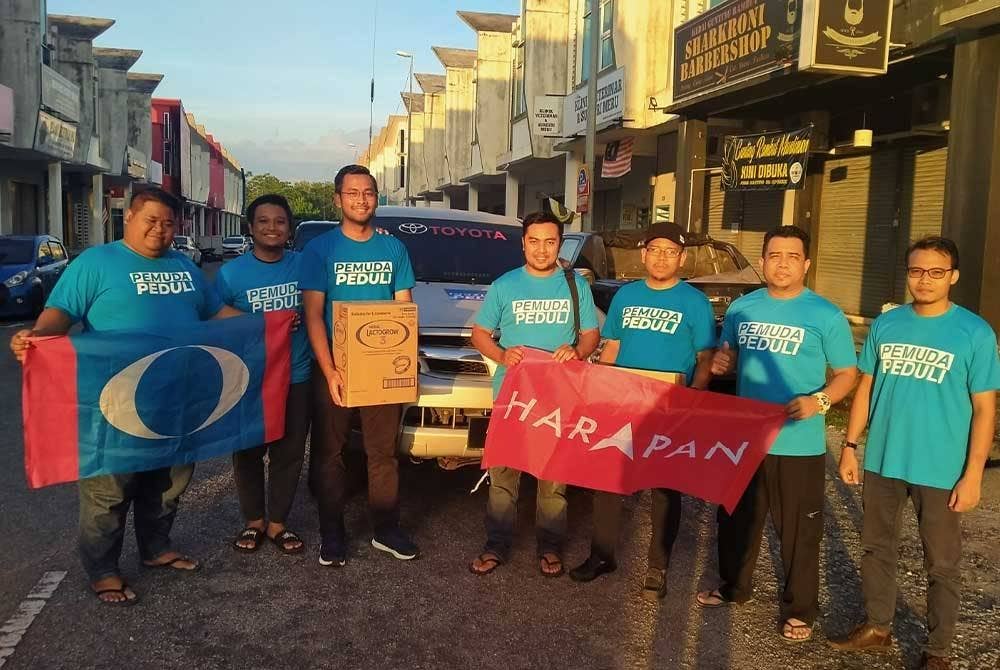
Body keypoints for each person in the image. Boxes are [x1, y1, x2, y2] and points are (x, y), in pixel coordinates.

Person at [9, 187, 241, 606]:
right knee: (109, 490)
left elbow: (218, 315)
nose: (160, 229)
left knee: (169, 484)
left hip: (178, 402)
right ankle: (103, 569)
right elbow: (59, 314)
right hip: (112, 404)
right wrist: (38, 338)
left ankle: (156, 549)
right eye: (150, 220)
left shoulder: (185, 268)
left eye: (169, 223)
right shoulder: (95, 263)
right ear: (129, 219)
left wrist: (272, 325)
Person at [830, 237, 999, 670]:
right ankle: (878, 628)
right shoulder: (887, 325)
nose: (924, 279)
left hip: (941, 468)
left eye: (935, 272)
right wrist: (850, 447)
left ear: (953, 276)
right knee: (875, 547)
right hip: (884, 459)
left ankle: (938, 651)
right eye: (916, 270)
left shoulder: (975, 333)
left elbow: (984, 408)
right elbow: (865, 388)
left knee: (941, 562)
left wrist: (973, 474)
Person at [695, 225, 858, 643]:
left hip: (798, 441)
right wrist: (721, 366)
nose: (782, 263)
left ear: (805, 263)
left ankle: (800, 608)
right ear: (763, 261)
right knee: (735, 519)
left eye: (791, 256)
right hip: (746, 438)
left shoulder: (825, 314)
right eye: (773, 255)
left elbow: (847, 374)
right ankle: (735, 587)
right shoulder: (741, 309)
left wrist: (819, 402)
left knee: (800, 529)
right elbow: (727, 359)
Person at [569, 221, 715, 599]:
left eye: (671, 251)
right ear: (644, 254)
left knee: (665, 488)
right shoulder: (626, 296)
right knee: (608, 480)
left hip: (669, 405)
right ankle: (602, 555)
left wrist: (695, 394)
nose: (662, 257)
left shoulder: (694, 301)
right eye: (655, 250)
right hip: (623, 401)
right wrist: (597, 388)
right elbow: (613, 346)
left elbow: (705, 356)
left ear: (681, 257)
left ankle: (657, 567)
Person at [468, 211, 600, 578]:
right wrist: (501, 354)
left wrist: (578, 351)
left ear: (560, 243)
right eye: (534, 241)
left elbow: (591, 334)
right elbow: (479, 333)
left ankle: (551, 547)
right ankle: (495, 546)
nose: (542, 249)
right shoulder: (505, 285)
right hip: (512, 397)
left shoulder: (576, 285)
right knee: (503, 476)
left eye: (550, 241)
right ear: (523, 243)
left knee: (553, 478)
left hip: (559, 398)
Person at [301, 164, 418, 567]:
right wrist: (330, 369)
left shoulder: (393, 249)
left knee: (382, 452)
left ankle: (386, 529)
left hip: (381, 367)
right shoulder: (321, 250)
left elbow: (404, 308)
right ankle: (331, 534)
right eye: (352, 193)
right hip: (334, 367)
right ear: (338, 200)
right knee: (330, 454)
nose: (361, 200)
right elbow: (314, 314)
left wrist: (403, 365)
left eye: (368, 192)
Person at [216, 194, 312, 555]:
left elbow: (324, 304)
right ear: (250, 228)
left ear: (289, 229)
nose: (272, 228)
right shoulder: (231, 274)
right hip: (250, 378)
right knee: (248, 452)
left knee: (289, 453)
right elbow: (213, 316)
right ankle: (254, 521)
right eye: (263, 221)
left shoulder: (305, 265)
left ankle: (278, 524)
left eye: (280, 222)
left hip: (297, 375)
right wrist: (264, 323)